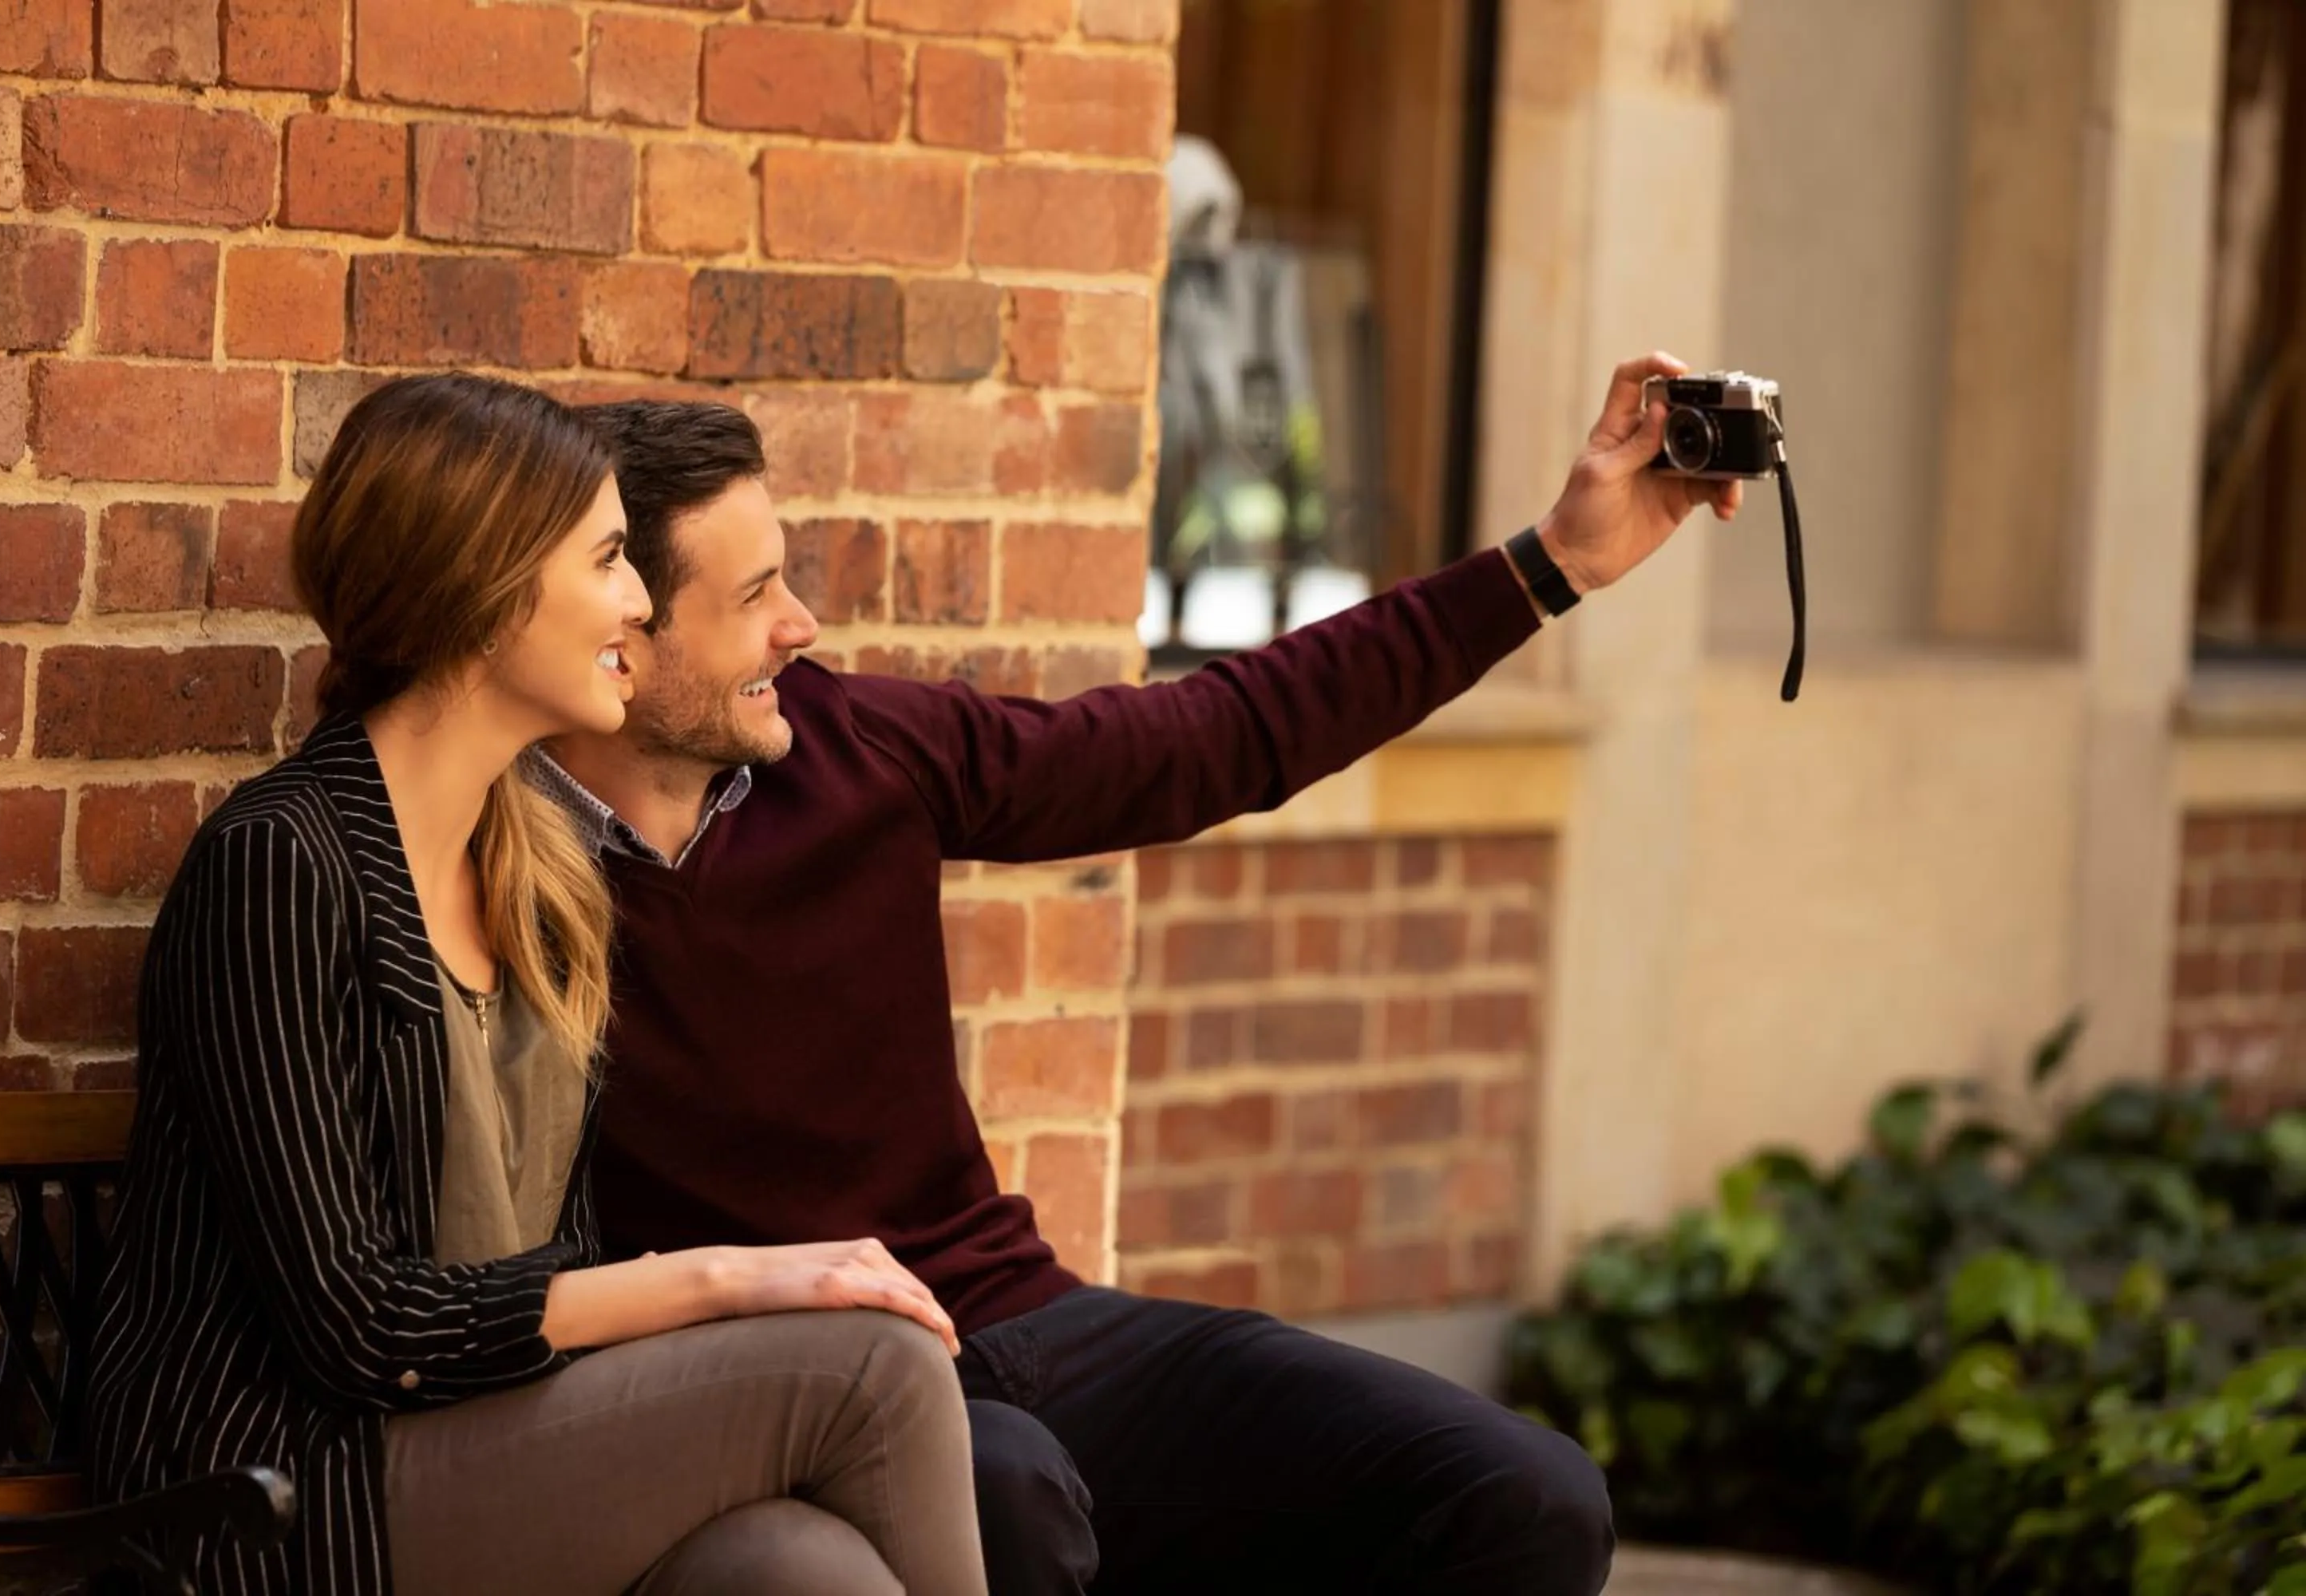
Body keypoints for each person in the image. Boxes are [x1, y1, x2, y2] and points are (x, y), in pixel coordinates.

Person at [537, 354, 1743, 1596]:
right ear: (625, 635)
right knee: (1007, 1488)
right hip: (786, 1396)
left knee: (1522, 1494)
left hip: (1015, 1319)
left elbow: (1217, 736)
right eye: (755, 595)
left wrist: (1554, 564)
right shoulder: (496, 876)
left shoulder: (859, 746)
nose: (802, 623)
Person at [85, 374, 989, 1596]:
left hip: (488, 1447)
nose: (638, 602)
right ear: (493, 586)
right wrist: (728, 1276)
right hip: (286, 1499)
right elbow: (359, 1329)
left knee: (797, 1567)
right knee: (876, 1366)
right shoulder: (281, 867)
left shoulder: (540, 879)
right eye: (613, 558)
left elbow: (555, 1251)